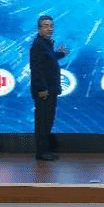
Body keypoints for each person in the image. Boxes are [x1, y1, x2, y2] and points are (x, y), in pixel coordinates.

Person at [30, 15, 69, 161]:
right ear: (39, 28)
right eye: (46, 26)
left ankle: (45, 150)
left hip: (50, 89)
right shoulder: (38, 45)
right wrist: (41, 89)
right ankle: (41, 152)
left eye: (51, 26)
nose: (49, 28)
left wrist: (59, 54)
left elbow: (48, 60)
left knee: (47, 121)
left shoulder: (46, 44)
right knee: (43, 121)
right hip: (44, 91)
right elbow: (36, 68)